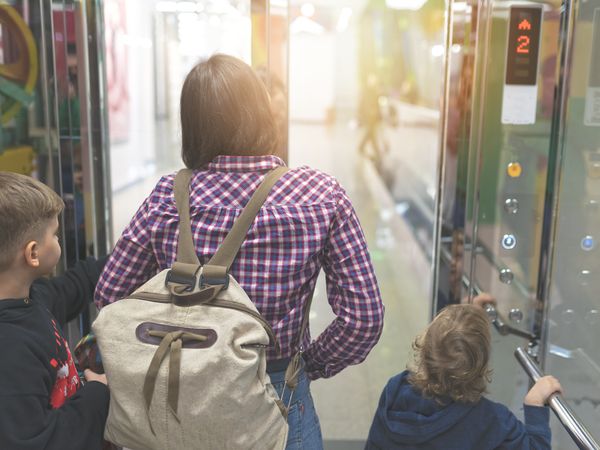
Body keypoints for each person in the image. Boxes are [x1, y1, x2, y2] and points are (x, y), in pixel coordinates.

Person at [94, 54, 385, 449]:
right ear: (263, 112)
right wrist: (308, 365)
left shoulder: (169, 195)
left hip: (175, 397)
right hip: (278, 395)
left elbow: (110, 297)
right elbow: (363, 320)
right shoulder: (320, 196)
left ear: (192, 126)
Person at [0, 171, 110, 449]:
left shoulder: (33, 296)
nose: (59, 240)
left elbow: (78, 283)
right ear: (33, 253)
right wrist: (98, 394)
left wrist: (136, 252)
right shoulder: (10, 349)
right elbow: (38, 442)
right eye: (56, 235)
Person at [366, 304, 562, 449]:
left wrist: (465, 320)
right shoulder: (491, 420)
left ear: (425, 349)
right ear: (482, 365)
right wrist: (534, 403)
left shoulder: (395, 391)